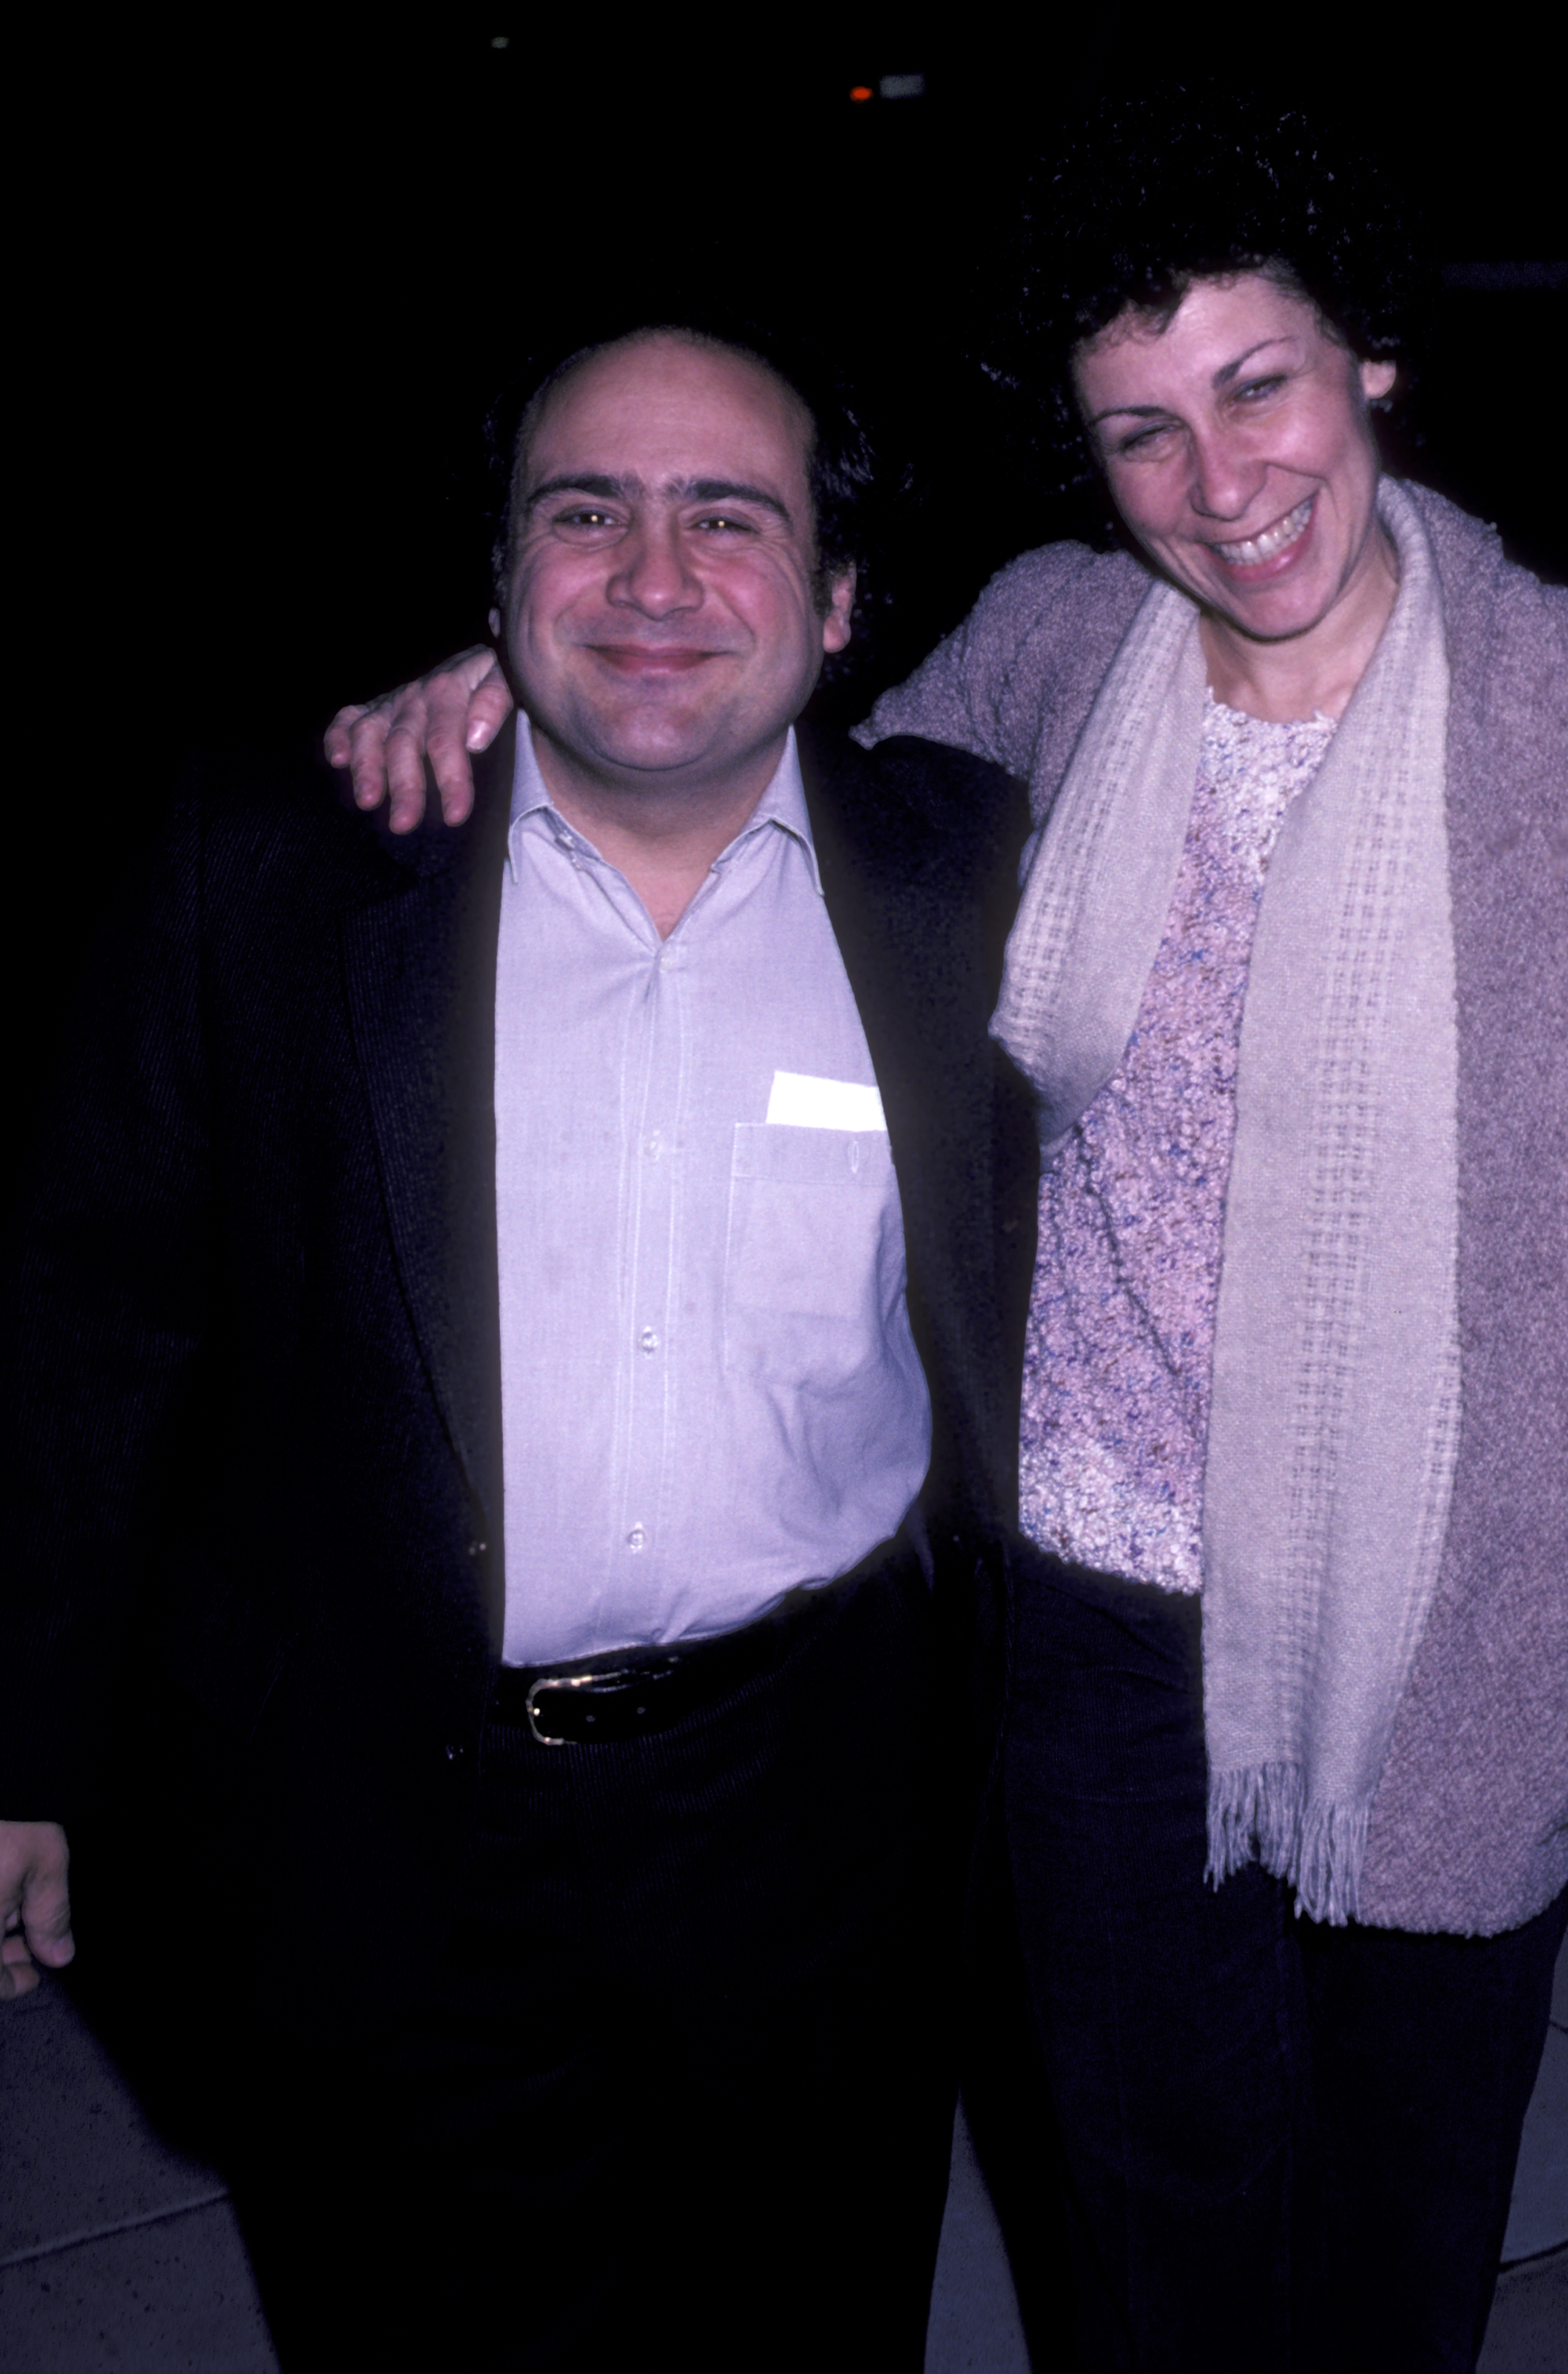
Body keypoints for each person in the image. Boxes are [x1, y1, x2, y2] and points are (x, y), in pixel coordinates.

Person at [309, 95, 1568, 2374]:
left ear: (1369, 368)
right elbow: (779, 813)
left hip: (1464, 1598)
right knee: (1146, 2239)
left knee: (1396, 2243)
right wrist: (511, 688)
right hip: (1092, 1615)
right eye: (1141, 433)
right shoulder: (1057, 647)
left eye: (1257, 387)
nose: (1219, 485)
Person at [0, 318, 1039, 2368]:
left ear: (837, 603)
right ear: (493, 586)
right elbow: (84, 1314)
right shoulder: (271, 871)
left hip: (818, 1807)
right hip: (388, 1812)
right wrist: (20, 1751)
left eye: (724, 520)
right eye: (586, 515)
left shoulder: (974, 873)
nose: (652, 581)